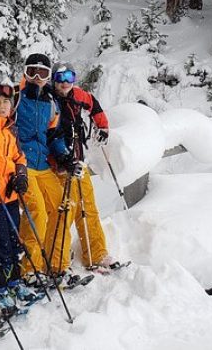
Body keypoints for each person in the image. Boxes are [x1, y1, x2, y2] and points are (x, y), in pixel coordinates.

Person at [14, 53, 81, 283]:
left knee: (64, 206)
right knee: (38, 212)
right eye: (32, 71)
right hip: (23, 164)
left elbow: (54, 135)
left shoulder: (50, 103)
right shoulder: (16, 98)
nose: (36, 77)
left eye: (42, 73)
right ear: (25, 72)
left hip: (43, 165)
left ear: (48, 76)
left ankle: (57, 264)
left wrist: (63, 157)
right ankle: (31, 268)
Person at [52, 61, 122, 270]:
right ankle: (59, 260)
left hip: (78, 162)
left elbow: (94, 105)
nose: (65, 83)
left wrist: (103, 128)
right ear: (53, 80)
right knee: (65, 212)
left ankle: (96, 254)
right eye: (60, 78)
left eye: (70, 78)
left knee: (88, 208)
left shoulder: (78, 95)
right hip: (59, 166)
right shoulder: (49, 101)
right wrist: (62, 158)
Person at [0, 83, 39, 310]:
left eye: (6, 103)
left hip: (10, 196)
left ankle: (14, 282)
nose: (1, 106)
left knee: (15, 241)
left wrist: (21, 175)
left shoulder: (10, 129)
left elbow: (19, 157)